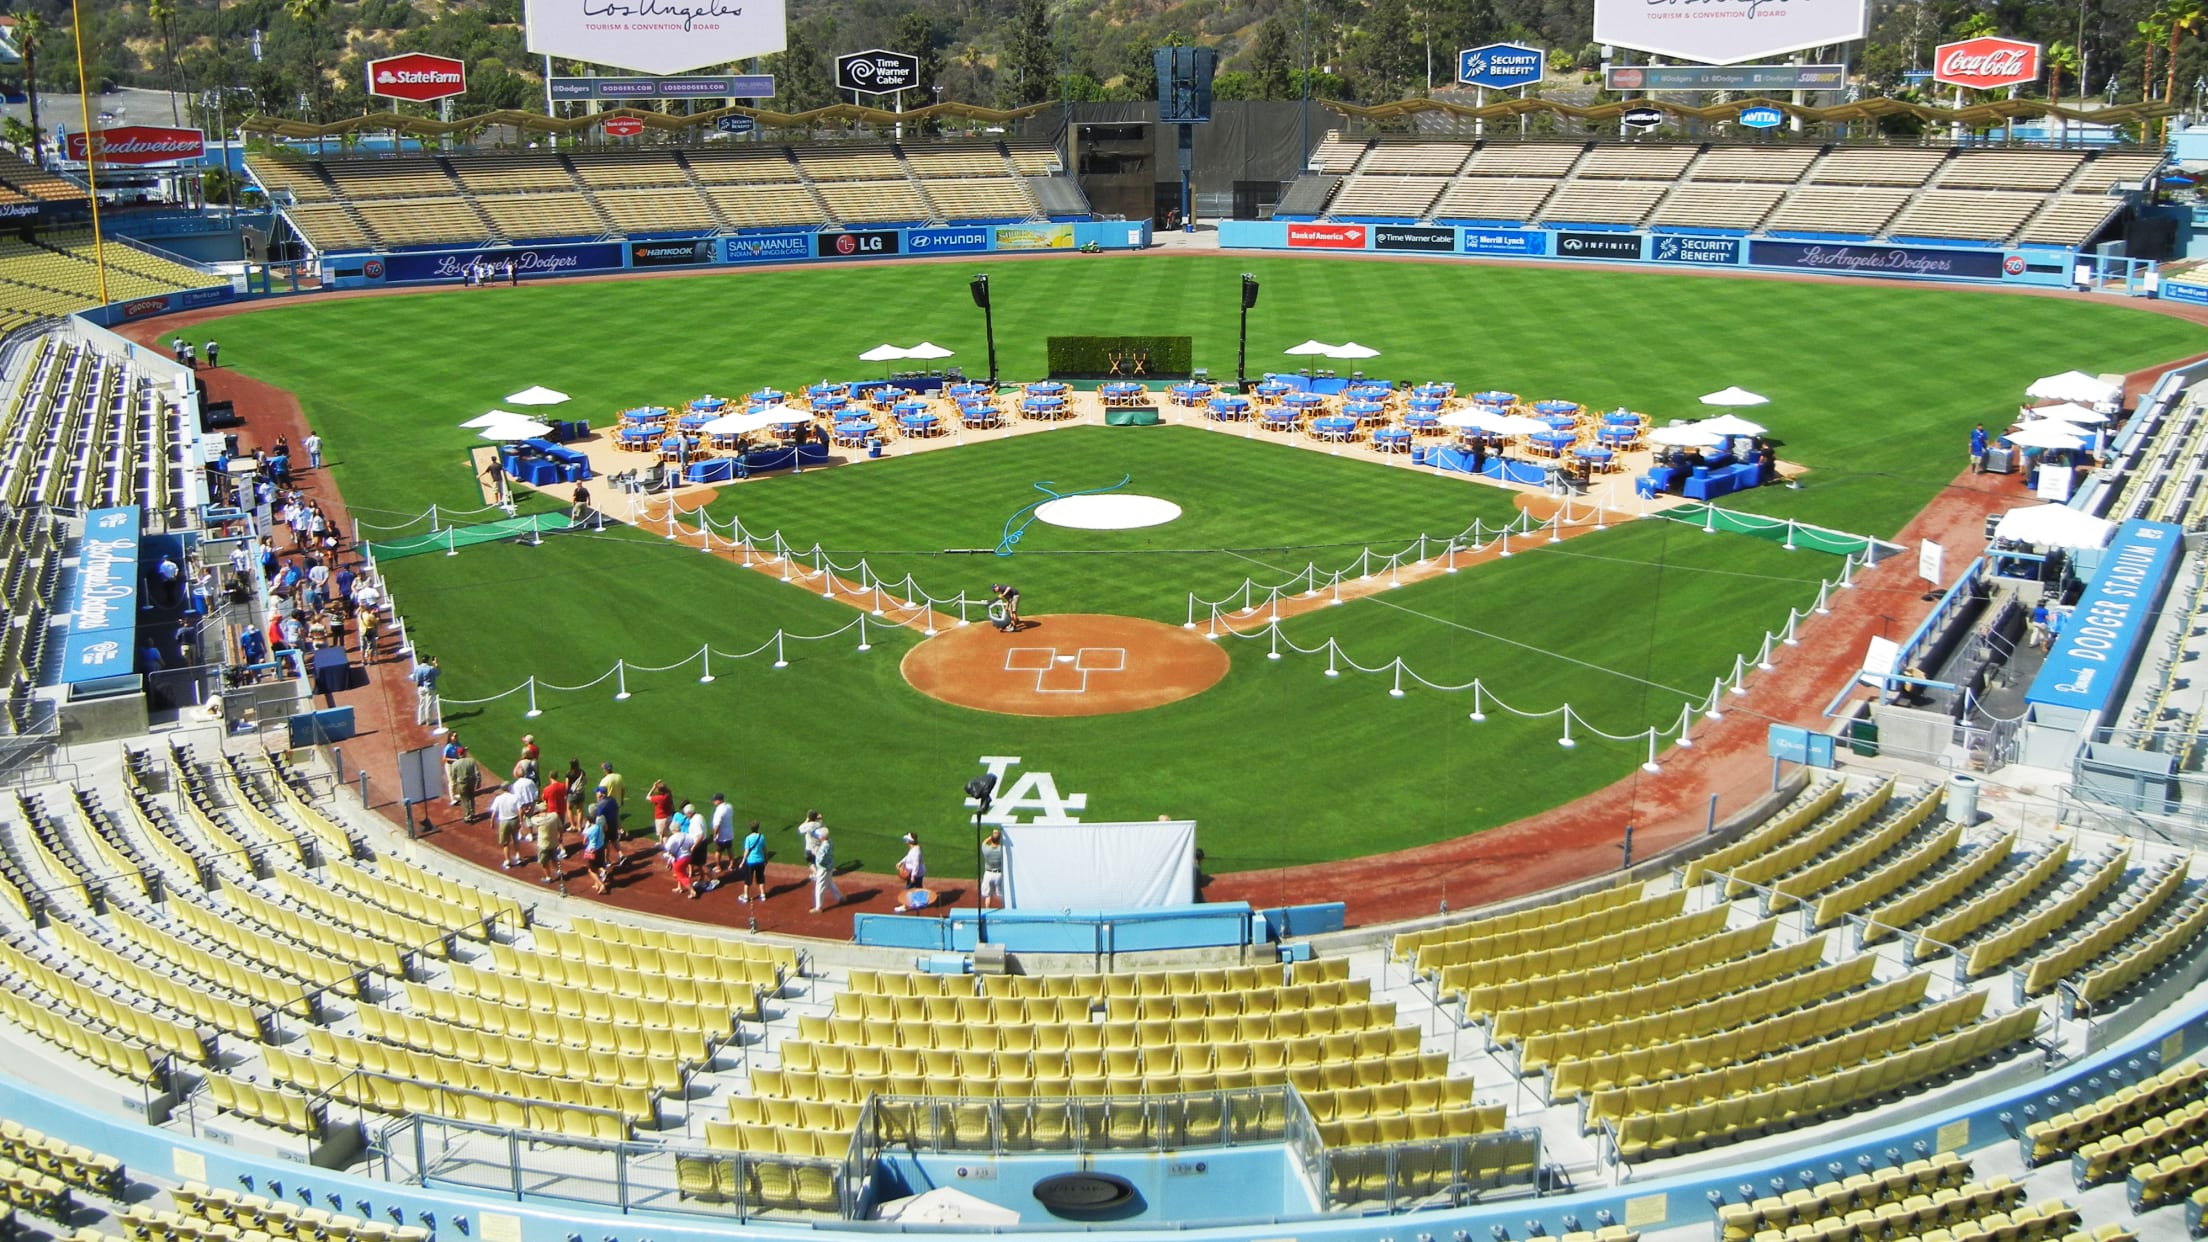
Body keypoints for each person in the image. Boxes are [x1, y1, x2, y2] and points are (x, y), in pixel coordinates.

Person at [805, 819, 843, 914]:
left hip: (823, 869)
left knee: (819, 886)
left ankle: (818, 907)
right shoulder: (829, 841)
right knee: (829, 883)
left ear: (822, 837)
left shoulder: (824, 846)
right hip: (829, 866)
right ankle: (839, 897)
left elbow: (820, 860)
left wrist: (815, 852)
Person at [489, 784, 524, 869]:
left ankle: (507, 861)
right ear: (509, 788)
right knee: (515, 839)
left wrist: (492, 821)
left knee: (505, 843)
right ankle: (518, 856)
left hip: (504, 822)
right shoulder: (515, 797)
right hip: (514, 820)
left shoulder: (498, 798)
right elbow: (520, 810)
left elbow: (494, 812)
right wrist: (521, 821)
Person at [665, 816, 699, 899]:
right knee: (680, 872)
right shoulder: (687, 835)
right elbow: (692, 842)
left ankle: (692, 891)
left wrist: (671, 854)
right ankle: (679, 887)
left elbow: (668, 847)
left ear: (672, 829)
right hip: (688, 857)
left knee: (680, 875)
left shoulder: (673, 838)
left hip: (679, 859)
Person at [581, 805, 610, 894]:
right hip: (600, 847)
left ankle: (601, 885)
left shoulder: (589, 830)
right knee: (597, 866)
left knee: (591, 870)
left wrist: (587, 827)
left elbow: (584, 841)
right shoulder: (599, 826)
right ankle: (597, 883)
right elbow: (605, 828)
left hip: (592, 850)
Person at [738, 819, 767, 905]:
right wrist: (766, 859)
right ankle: (763, 895)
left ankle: (746, 896)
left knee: (748, 879)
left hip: (750, 862)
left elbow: (746, 851)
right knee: (761, 878)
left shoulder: (748, 838)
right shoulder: (762, 837)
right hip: (760, 861)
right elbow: (765, 849)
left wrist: (743, 861)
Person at [710, 793, 737, 879]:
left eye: (715, 800)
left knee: (718, 850)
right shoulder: (729, 806)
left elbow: (717, 825)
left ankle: (718, 866)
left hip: (721, 835)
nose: (713, 802)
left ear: (719, 800)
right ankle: (732, 864)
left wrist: (714, 836)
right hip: (729, 832)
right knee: (729, 848)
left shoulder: (719, 811)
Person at [979, 828, 1006, 910]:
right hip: (998, 874)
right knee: (1001, 894)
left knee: (988, 895)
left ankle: (987, 911)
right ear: (999, 840)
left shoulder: (986, 849)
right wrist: (998, 835)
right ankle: (1005, 910)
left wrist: (992, 836)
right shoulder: (1001, 850)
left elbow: (984, 842)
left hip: (988, 874)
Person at [412, 655, 441, 727]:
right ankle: (429, 720)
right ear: (428, 660)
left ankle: (420, 720)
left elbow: (414, 678)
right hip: (429, 688)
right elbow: (438, 673)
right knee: (429, 704)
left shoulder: (417, 668)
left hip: (420, 688)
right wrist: (436, 664)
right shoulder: (430, 668)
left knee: (421, 703)